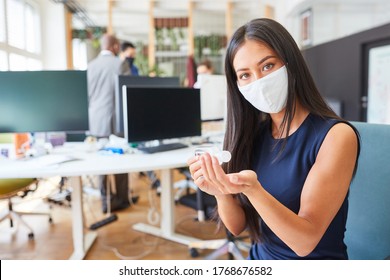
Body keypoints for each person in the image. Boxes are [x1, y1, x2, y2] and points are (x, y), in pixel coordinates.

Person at [187, 18, 360, 260]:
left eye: (267, 66)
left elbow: (305, 242)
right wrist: (219, 191)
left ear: (290, 63)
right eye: (245, 75)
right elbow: (236, 227)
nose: (258, 82)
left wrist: (254, 190)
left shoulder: (336, 136)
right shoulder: (252, 135)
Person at [87, 33, 131, 213]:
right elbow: (128, 93)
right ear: (114, 47)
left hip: (95, 119)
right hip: (115, 119)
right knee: (121, 158)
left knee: (101, 162)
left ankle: (106, 201)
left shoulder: (90, 66)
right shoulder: (120, 63)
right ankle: (122, 199)